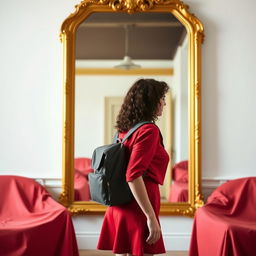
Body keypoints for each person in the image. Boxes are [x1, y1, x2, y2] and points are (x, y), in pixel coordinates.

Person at [97, 78, 170, 256]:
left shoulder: (124, 130)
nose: (164, 103)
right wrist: (151, 217)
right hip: (138, 206)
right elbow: (133, 174)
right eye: (161, 98)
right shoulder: (148, 131)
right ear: (151, 102)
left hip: (121, 203)